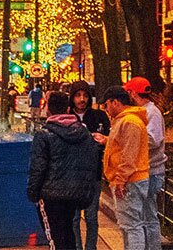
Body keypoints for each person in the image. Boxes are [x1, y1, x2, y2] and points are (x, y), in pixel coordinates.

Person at [30, 92, 103, 250]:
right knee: (68, 232)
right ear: (68, 109)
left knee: (55, 238)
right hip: (75, 194)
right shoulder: (83, 133)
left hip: (51, 195)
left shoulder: (44, 135)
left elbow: (38, 167)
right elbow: (92, 161)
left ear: (48, 108)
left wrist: (33, 192)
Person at [102, 87, 155, 250]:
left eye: (106, 105)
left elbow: (129, 155)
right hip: (129, 180)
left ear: (115, 102)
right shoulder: (124, 121)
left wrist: (120, 180)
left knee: (132, 226)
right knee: (128, 225)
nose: (106, 109)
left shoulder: (130, 122)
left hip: (130, 181)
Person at [125, 76, 166, 250]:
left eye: (128, 92)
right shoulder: (146, 112)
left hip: (151, 170)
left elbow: (152, 140)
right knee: (145, 216)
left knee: (148, 217)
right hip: (147, 170)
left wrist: (130, 141)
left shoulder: (151, 113)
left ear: (133, 93)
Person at [70, 84, 109, 250]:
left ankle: (91, 247)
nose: (82, 99)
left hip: (93, 173)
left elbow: (107, 140)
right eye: (78, 95)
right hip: (71, 175)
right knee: (74, 218)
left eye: (85, 95)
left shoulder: (99, 116)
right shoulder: (66, 117)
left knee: (92, 216)